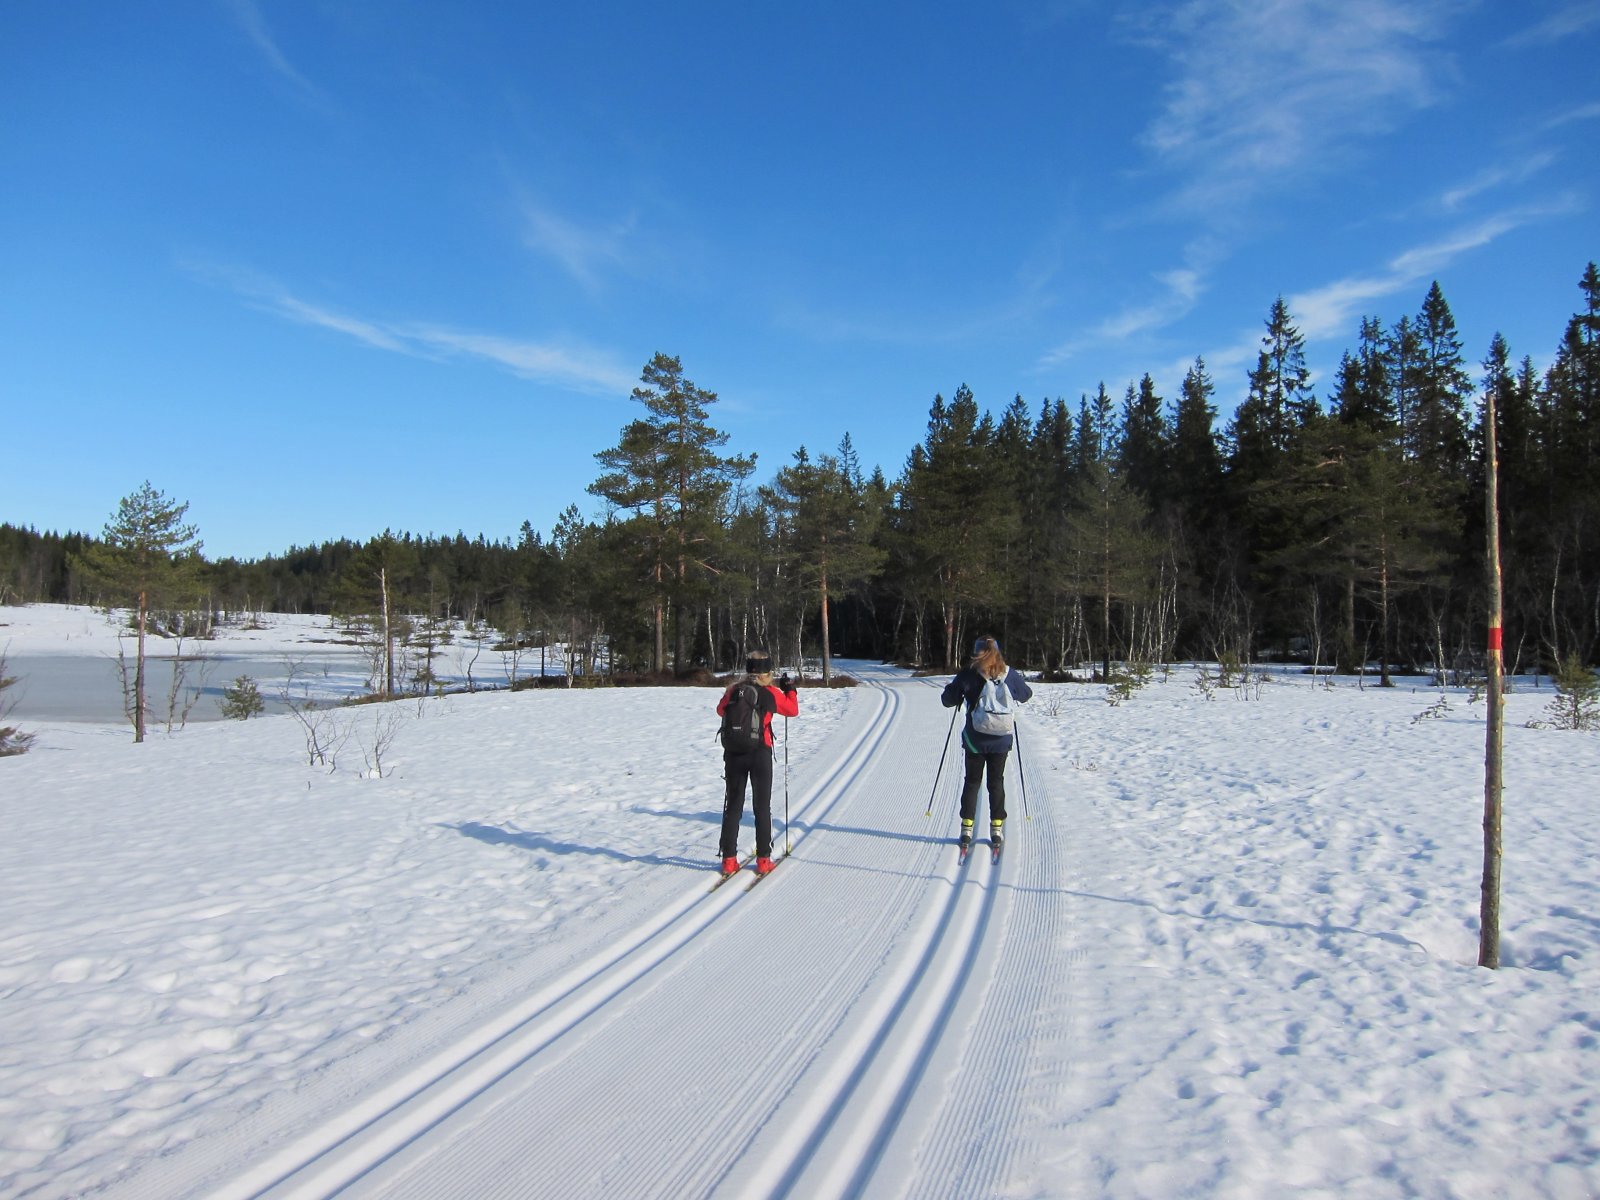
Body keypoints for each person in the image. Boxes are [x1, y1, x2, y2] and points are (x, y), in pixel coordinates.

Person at [940, 635, 1032, 853]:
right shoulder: (1008, 674)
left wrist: (952, 690)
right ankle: (997, 828)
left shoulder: (969, 674)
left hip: (975, 739)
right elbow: (1026, 694)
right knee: (996, 782)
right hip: (1001, 739)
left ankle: (967, 828)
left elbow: (948, 701)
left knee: (972, 781)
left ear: (977, 652)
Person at [716, 650, 799, 875]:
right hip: (760, 753)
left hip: (734, 754)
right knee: (762, 807)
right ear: (767, 671)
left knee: (733, 806)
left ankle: (729, 860)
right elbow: (792, 710)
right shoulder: (770, 692)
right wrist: (790, 689)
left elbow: (720, 710)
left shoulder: (734, 690)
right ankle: (763, 861)